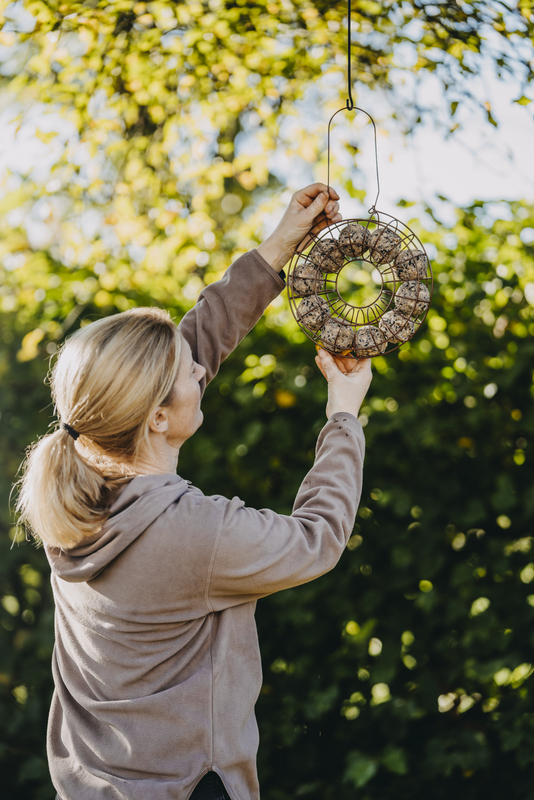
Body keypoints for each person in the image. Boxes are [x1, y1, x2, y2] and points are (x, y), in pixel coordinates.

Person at [16, 183, 372, 800]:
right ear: (155, 417)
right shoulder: (192, 533)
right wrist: (343, 415)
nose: (202, 370)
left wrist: (277, 248)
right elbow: (317, 540)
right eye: (190, 376)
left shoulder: (79, 489)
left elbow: (193, 343)